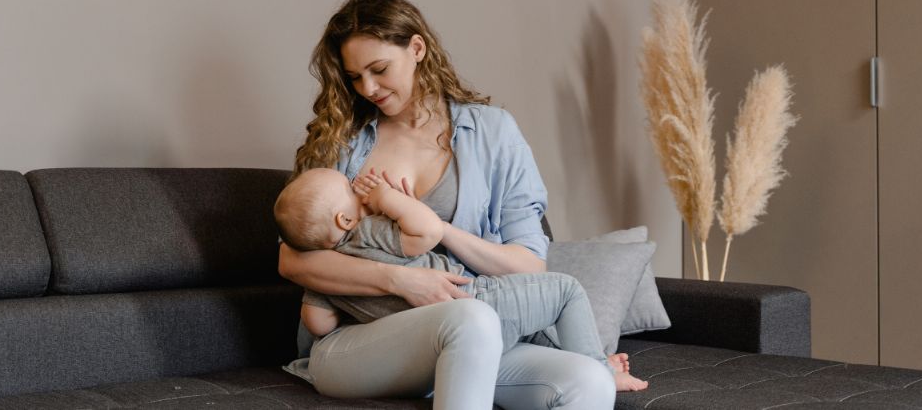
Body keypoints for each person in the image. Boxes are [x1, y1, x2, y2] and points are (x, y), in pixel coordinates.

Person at [278, 0, 619, 409]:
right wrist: (403, 281)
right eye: (354, 77)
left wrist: (441, 230)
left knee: (590, 380)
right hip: (359, 343)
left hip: (472, 335)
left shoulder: (494, 133)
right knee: (471, 318)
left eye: (379, 68)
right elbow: (292, 259)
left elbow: (529, 265)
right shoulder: (341, 142)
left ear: (417, 48)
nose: (367, 87)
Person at [274, 168, 649, 392]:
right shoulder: (369, 231)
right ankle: (599, 368)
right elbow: (426, 230)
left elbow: (318, 322)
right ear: (344, 220)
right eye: (350, 189)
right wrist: (387, 198)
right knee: (565, 290)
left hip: (423, 335)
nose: (360, 190)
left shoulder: (324, 276)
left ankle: (583, 359)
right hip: (475, 297)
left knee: (535, 328)